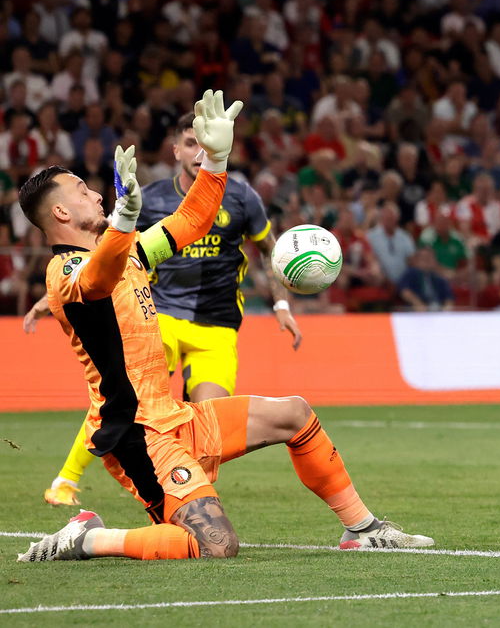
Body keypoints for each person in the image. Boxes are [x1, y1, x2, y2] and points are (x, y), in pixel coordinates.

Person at [17, 90, 431, 562]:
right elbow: (97, 280)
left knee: (295, 414)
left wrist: (216, 160)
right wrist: (124, 222)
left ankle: (363, 529)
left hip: (175, 417)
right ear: (61, 213)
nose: (96, 194)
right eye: (81, 191)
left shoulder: (131, 252)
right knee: (214, 545)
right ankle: (87, 538)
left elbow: (192, 220)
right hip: (136, 436)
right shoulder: (65, 272)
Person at [31, 113, 304, 507]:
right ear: (176, 150)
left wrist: (280, 303)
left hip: (218, 324)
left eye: (204, 143)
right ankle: (68, 479)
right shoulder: (145, 202)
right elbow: (94, 268)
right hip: (163, 317)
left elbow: (232, 235)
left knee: (209, 423)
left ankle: (187, 493)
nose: (198, 150)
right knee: (121, 394)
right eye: (190, 143)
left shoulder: (240, 199)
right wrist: (56, 295)